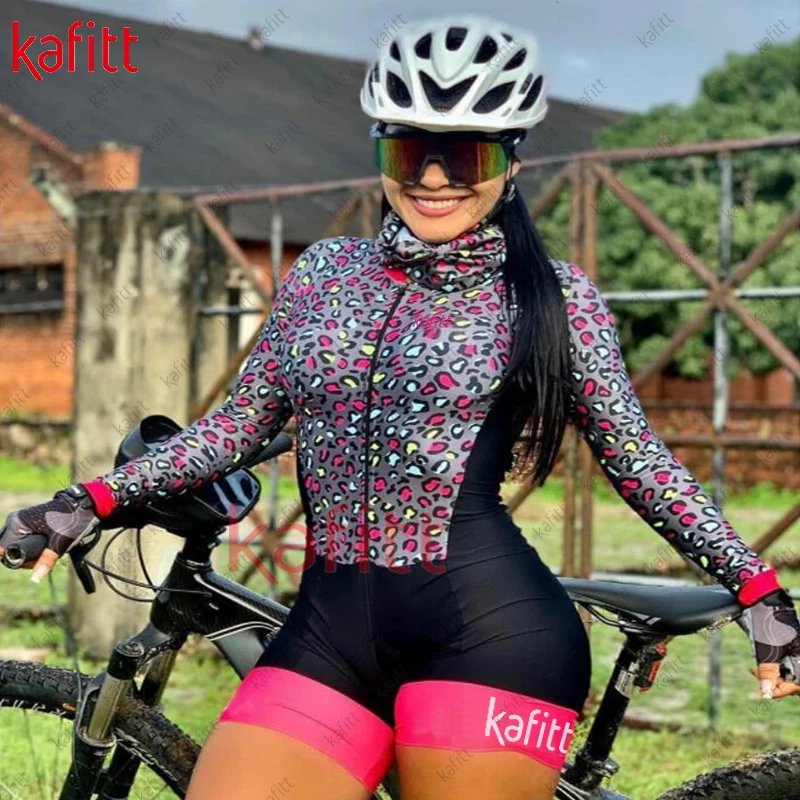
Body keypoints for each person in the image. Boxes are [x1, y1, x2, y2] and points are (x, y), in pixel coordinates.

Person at [1, 14, 798, 800]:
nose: (436, 178)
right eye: (411, 151)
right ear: (382, 150)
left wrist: (758, 589)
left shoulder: (554, 298)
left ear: (511, 162)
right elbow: (240, 424)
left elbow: (637, 460)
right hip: (328, 635)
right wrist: (91, 498)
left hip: (491, 638)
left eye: (467, 154)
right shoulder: (324, 272)